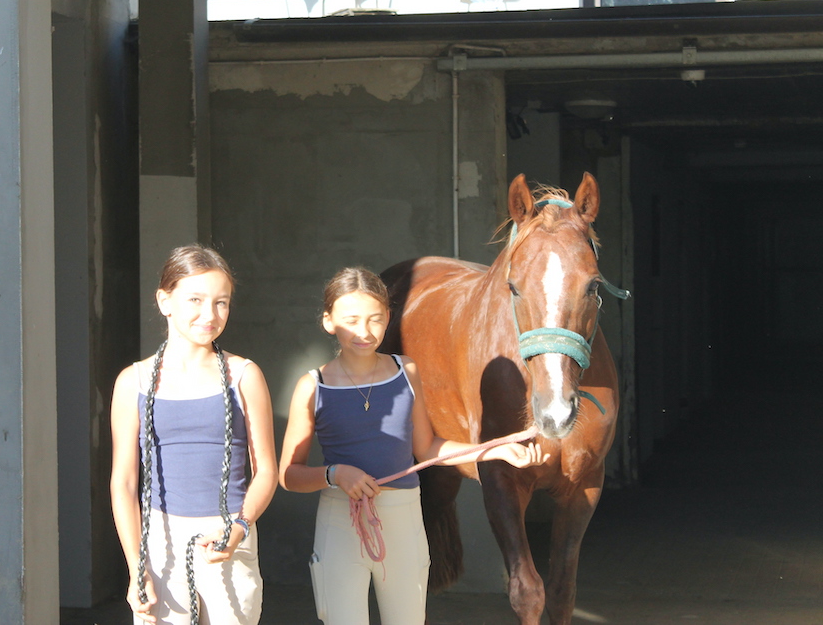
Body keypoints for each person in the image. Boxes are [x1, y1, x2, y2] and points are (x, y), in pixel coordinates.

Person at [278, 267, 547, 625]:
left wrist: (494, 450)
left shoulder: (407, 371)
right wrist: (335, 474)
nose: (364, 331)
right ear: (328, 321)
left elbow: (427, 448)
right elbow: (289, 475)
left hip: (403, 518)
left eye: (375, 319)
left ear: (388, 318)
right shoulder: (313, 386)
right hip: (340, 522)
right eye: (351, 320)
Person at [110, 245, 278, 625]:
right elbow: (124, 482)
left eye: (222, 302)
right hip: (160, 544)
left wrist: (239, 527)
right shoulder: (133, 381)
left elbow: (266, 471)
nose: (210, 314)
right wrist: (137, 567)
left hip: (229, 537)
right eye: (195, 300)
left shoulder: (245, 375)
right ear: (164, 301)